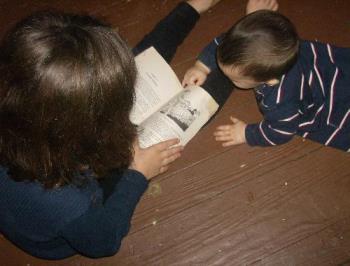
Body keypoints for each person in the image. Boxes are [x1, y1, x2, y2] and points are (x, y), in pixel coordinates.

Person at [0, 0, 228, 259]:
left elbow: (124, 66)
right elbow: (103, 242)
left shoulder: (34, 102)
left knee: (124, 70)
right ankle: (235, 72)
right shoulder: (64, 201)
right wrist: (138, 175)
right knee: (173, 126)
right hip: (75, 220)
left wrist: (189, 9)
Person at [183, 0, 350, 152]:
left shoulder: (281, 101)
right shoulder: (277, 47)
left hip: (332, 100)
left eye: (235, 79)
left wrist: (246, 134)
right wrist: (201, 66)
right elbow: (222, 42)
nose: (227, 78)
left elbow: (280, 132)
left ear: (269, 81)